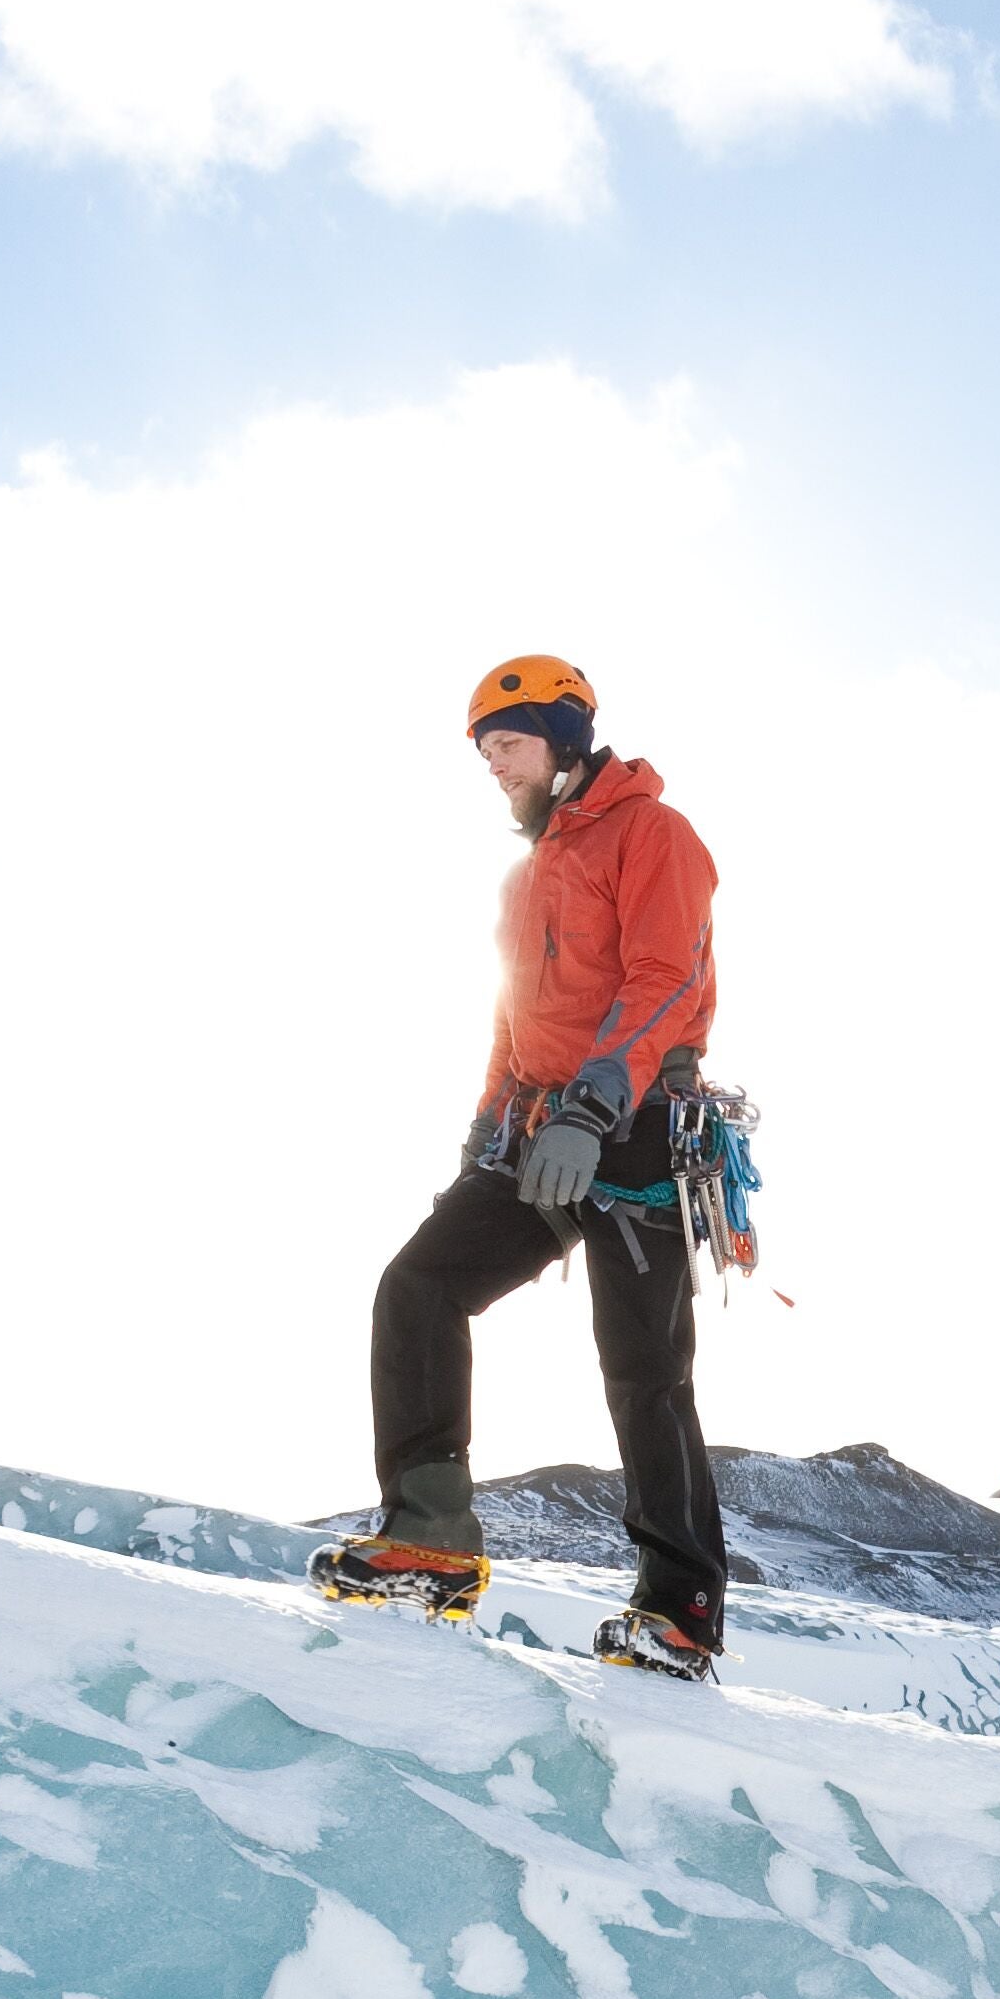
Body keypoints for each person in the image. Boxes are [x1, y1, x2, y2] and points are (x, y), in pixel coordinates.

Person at [312, 655, 730, 1678]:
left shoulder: (654, 835)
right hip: (535, 1135)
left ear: (563, 738)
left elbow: (664, 977)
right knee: (419, 1285)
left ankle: (679, 1609)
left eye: (507, 745)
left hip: (632, 1127)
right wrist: (483, 1137)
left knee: (644, 1370)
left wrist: (594, 1104)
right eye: (485, 752)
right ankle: (430, 1536)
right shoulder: (525, 873)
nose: (494, 766)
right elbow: (509, 1014)